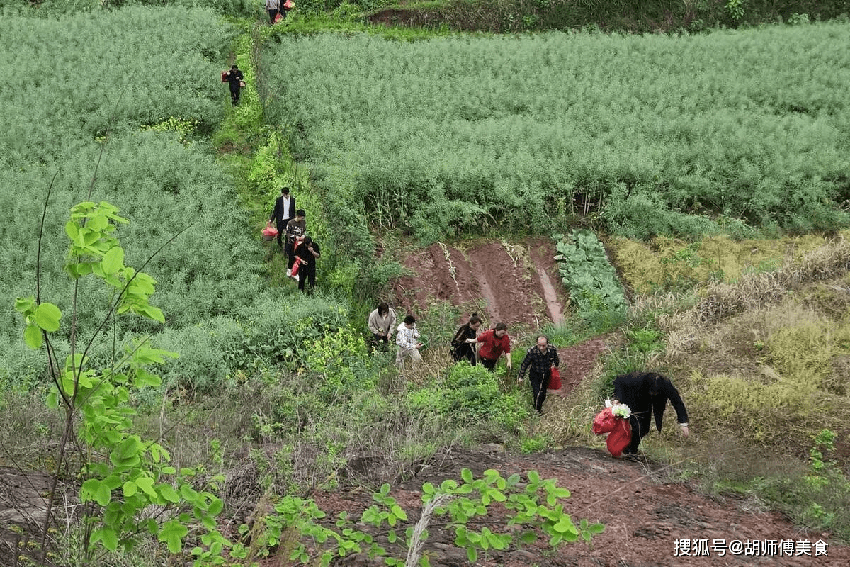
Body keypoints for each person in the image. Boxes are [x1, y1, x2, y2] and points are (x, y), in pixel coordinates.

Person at [612, 371, 690, 455]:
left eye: (655, 393)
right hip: (634, 397)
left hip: (648, 402)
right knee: (636, 426)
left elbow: (677, 402)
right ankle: (629, 450)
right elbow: (619, 380)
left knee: (645, 428)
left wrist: (683, 424)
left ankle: (630, 448)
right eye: (652, 392)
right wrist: (617, 397)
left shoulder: (666, 384)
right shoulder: (637, 379)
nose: (653, 394)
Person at [517, 335, 560, 414]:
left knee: (543, 392)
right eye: (539, 345)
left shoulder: (552, 350)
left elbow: (556, 359)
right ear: (536, 344)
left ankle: (539, 406)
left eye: (543, 345)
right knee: (536, 391)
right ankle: (537, 410)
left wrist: (555, 365)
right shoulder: (532, 351)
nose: (541, 348)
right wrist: (521, 376)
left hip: (546, 373)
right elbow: (525, 364)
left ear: (547, 344)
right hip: (535, 374)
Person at [269, 186, 295, 251]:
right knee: (279, 233)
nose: (285, 195)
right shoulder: (279, 200)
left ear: (288, 193)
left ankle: (286, 248)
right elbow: (276, 210)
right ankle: (280, 245)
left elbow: (293, 211)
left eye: (286, 194)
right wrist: (272, 219)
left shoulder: (292, 200)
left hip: (288, 220)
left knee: (287, 234)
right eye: (284, 194)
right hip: (281, 219)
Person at [285, 209, 306, 276]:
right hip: (291, 243)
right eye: (301, 217)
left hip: (299, 243)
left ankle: (296, 271)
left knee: (299, 257)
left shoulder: (303, 222)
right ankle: (289, 270)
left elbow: (304, 231)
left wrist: (303, 235)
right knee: (292, 257)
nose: (302, 219)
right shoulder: (290, 223)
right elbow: (287, 233)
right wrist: (294, 237)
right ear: (297, 216)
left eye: (303, 218)